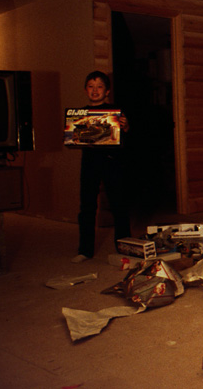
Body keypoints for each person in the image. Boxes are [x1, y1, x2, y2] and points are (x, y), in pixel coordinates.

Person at [71, 71, 131, 263]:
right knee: (87, 206)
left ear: (107, 91)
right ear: (85, 90)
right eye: (91, 86)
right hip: (89, 163)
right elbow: (73, 140)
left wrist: (126, 127)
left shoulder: (115, 111)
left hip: (112, 161)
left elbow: (126, 140)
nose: (95, 90)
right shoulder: (79, 114)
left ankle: (124, 247)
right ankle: (85, 250)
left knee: (119, 204)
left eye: (99, 87)